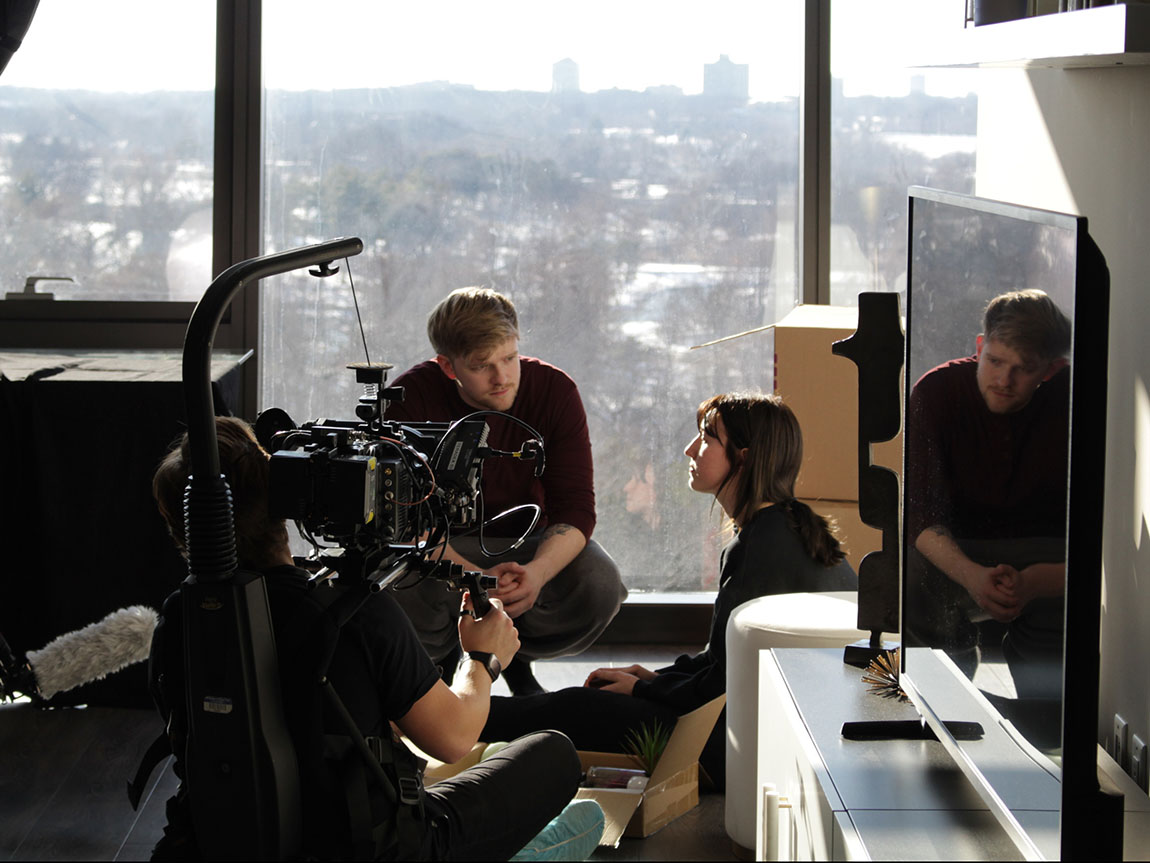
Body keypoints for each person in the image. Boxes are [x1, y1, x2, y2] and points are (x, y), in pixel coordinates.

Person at [148, 416, 590, 861]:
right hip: (366, 848)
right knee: (554, 754)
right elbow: (454, 738)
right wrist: (482, 658)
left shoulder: (177, 619)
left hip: (216, 843)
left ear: (182, 529)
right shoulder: (351, 612)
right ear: (284, 492)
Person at [478, 392, 857, 789]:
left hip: (735, 746)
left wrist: (645, 689)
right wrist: (654, 677)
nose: (690, 448)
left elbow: (721, 686)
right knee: (586, 701)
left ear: (742, 458)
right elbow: (723, 660)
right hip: (768, 728)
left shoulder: (761, 545)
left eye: (707, 438)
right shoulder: (787, 528)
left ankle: (449, 717)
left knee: (577, 708)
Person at [383, 287, 626, 695]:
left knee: (599, 583)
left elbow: (576, 508)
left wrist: (536, 574)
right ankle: (442, 668)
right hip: (442, 548)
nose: (502, 378)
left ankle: (514, 658)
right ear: (448, 366)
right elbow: (404, 523)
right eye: (482, 366)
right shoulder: (410, 398)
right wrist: (474, 578)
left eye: (510, 358)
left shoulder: (555, 391)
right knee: (393, 593)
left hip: (525, 542)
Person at [904, 289, 1071, 698]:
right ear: (980, 347)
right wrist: (974, 577)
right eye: (995, 361)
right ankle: (939, 697)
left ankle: (1043, 704)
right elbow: (919, 515)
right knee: (912, 568)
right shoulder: (937, 391)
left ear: (1050, 371)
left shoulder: (1072, 398)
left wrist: (1034, 582)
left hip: (1049, 557)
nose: (1003, 380)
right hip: (962, 550)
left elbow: (1101, 541)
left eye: (1023, 369)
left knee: (1048, 719)